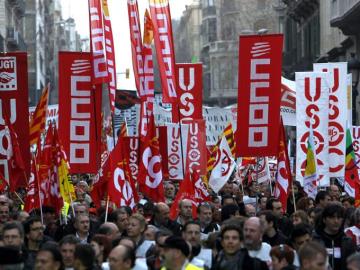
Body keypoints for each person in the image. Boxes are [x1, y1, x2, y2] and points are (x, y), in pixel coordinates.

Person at [312, 203, 356, 270]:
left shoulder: (347, 241)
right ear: (324, 219)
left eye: (339, 217)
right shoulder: (314, 240)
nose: (336, 221)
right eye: (332, 217)